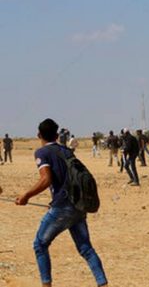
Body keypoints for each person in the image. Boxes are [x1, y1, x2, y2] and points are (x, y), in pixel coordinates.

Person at [15, 118, 108, 287]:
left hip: (62, 207)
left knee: (40, 244)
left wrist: (26, 195)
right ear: (57, 135)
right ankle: (103, 283)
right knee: (86, 249)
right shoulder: (66, 151)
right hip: (78, 206)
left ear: (39, 135)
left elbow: (46, 179)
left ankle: (46, 284)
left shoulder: (42, 153)